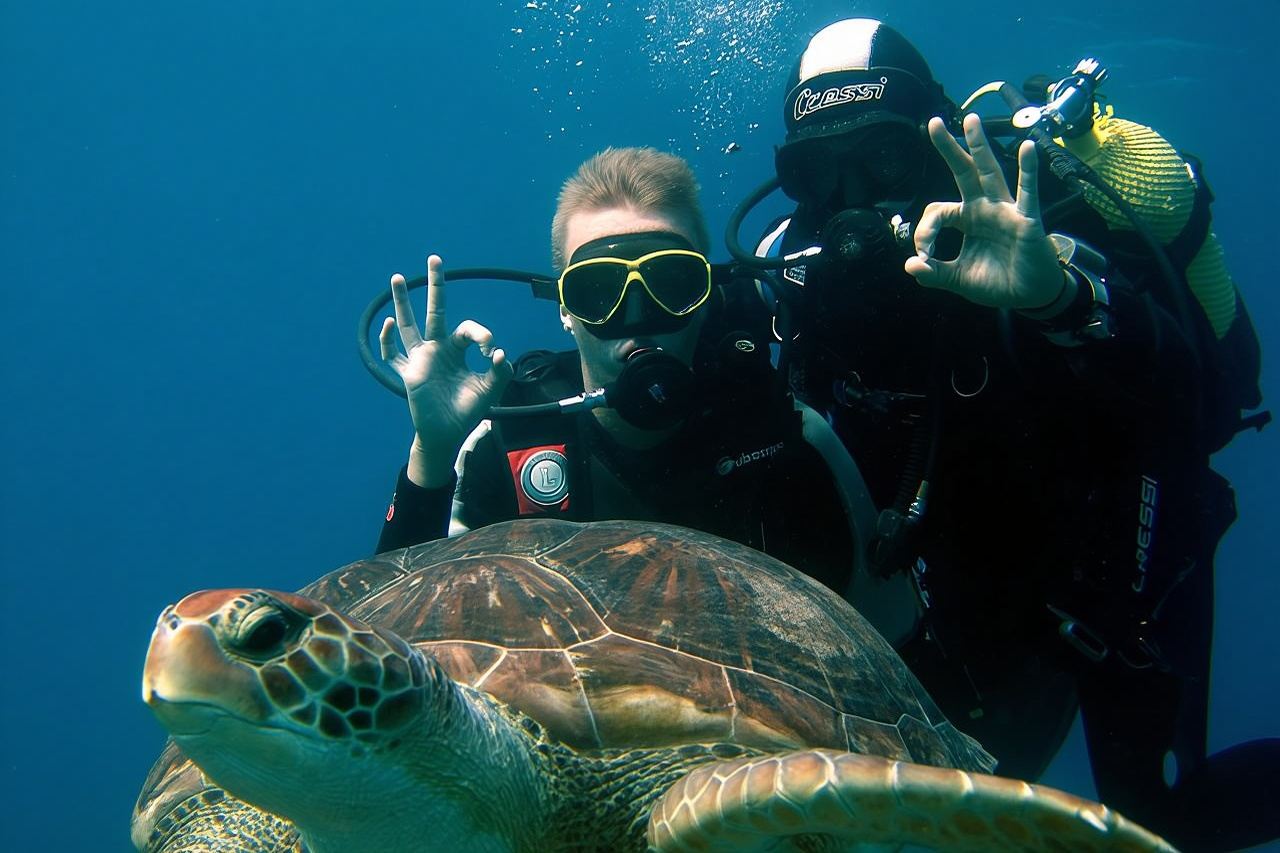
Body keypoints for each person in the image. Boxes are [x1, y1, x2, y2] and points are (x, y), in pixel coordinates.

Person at [741, 18, 1277, 851]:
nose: (852, 198)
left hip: (1117, 580)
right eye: (819, 169)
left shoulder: (1038, 223)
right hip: (959, 588)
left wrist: (1059, 299)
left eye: (882, 159)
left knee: (1164, 819)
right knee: (943, 813)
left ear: (935, 139)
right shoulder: (797, 275)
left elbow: (1202, 398)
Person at [373, 146, 879, 608]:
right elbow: (401, 626)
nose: (636, 319)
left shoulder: (788, 433)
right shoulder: (502, 447)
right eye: (599, 290)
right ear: (566, 311)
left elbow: (888, 625)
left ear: (706, 300)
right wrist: (431, 454)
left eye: (671, 284)